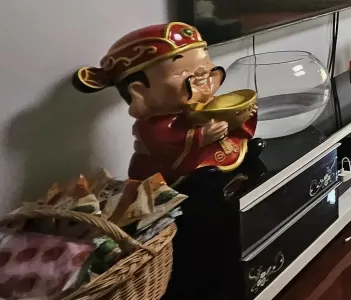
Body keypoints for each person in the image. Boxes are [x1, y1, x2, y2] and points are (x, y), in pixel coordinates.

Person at [74, 22, 259, 181]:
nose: (203, 73)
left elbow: (226, 118)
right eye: (182, 72)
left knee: (241, 152)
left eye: (206, 63)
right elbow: (165, 143)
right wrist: (202, 137)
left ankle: (242, 158)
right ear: (140, 92)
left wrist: (240, 117)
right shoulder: (153, 125)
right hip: (169, 170)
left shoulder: (206, 102)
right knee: (201, 179)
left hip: (215, 152)